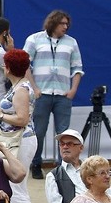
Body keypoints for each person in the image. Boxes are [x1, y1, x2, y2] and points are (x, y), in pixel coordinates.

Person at [23, 10, 83, 179]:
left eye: (67, 24)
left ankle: (62, 166)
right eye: (62, 23)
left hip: (63, 94)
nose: (66, 27)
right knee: (39, 131)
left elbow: (77, 68)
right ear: (53, 23)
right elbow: (25, 64)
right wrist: (34, 88)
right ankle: (36, 163)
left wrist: (73, 90)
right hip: (42, 94)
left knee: (64, 133)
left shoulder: (71, 42)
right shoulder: (34, 39)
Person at [0, 49, 38, 203]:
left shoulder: (21, 89)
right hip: (18, 140)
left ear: (8, 68)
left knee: (17, 189)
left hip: (21, 140)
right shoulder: (20, 86)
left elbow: (22, 119)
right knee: (17, 188)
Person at [45, 129, 91, 203]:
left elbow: (108, 194)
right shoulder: (53, 176)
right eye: (62, 144)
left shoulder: (92, 169)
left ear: (81, 148)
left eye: (69, 144)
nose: (65, 147)